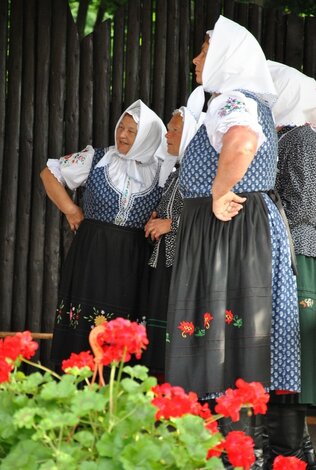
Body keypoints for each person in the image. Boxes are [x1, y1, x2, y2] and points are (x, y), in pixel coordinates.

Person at [165, 16, 301, 468]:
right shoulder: (247, 99)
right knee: (240, 336)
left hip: (232, 229)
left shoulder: (233, 99)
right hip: (241, 227)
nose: (194, 60)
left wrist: (221, 191)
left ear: (225, 56)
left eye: (202, 52)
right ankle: (261, 450)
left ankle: (236, 452)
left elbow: (241, 143)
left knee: (226, 336)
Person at [40, 100, 166, 366]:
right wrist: (71, 210)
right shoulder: (97, 158)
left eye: (132, 131)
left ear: (147, 135)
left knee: (126, 322)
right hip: (92, 252)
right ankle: (77, 385)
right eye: (122, 126)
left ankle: (117, 391)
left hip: (134, 258)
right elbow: (49, 174)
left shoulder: (162, 169)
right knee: (83, 321)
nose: (122, 134)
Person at [266, 60, 316, 468]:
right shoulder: (295, 138)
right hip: (295, 247)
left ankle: (292, 451)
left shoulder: (300, 140)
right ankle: (292, 448)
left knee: (289, 348)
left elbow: (300, 205)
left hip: (297, 249)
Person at [141, 102, 202, 378]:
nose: (167, 135)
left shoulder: (201, 172)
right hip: (165, 262)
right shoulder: (179, 170)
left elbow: (208, 218)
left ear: (189, 132)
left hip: (184, 263)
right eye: (168, 129)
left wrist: (169, 223)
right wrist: (157, 218)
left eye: (174, 129)